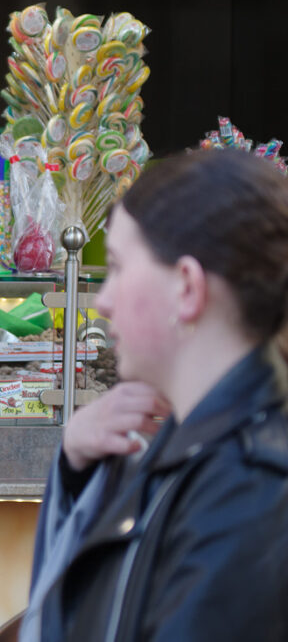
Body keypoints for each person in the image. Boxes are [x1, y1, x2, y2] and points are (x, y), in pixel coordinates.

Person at [20, 150, 288, 642]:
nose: (102, 299)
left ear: (186, 287)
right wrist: (77, 467)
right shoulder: (183, 447)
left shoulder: (252, 491)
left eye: (119, 267)